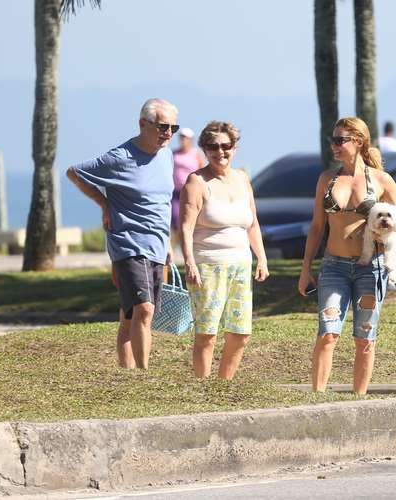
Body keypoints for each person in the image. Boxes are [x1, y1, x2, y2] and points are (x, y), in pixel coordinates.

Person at [298, 116, 396, 395]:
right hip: (333, 266)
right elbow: (316, 227)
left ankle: (359, 399)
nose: (334, 146)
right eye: (332, 140)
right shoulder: (327, 179)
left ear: (358, 142)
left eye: (340, 140)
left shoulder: (381, 179)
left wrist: (387, 236)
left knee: (365, 337)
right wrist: (305, 268)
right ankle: (317, 396)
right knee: (327, 333)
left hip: (370, 267)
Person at [67, 98, 178, 370]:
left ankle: (126, 372)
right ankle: (144, 374)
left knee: (131, 314)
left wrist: (168, 243)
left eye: (173, 128)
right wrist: (104, 203)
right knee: (145, 310)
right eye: (163, 126)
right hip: (128, 243)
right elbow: (74, 172)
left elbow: (162, 202)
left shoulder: (166, 155)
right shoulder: (119, 158)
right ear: (143, 124)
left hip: (157, 243)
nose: (168, 134)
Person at [179, 121, 269, 380]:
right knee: (207, 332)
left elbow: (252, 223)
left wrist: (260, 258)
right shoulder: (196, 182)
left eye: (226, 146)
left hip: (240, 265)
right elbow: (186, 228)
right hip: (208, 265)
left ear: (234, 147)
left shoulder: (242, 179)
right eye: (213, 147)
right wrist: (190, 263)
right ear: (204, 149)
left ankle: (223, 383)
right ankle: (203, 384)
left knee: (241, 332)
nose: (220, 152)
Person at [171, 127, 204, 251]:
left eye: (185, 138)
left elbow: (201, 170)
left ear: (190, 140)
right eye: (181, 137)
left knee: (192, 218)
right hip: (176, 192)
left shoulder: (196, 154)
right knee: (175, 218)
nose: (183, 140)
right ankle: (178, 247)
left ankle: (191, 247)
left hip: (191, 191)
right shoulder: (174, 154)